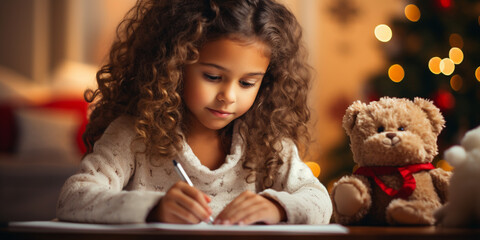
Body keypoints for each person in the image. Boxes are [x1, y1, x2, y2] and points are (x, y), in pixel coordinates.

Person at [56, 0, 332, 225]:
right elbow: (74, 197)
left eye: (248, 83)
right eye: (212, 76)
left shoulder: (268, 144)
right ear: (173, 67)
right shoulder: (134, 134)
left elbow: (320, 201)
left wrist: (276, 207)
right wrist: (153, 208)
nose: (229, 96)